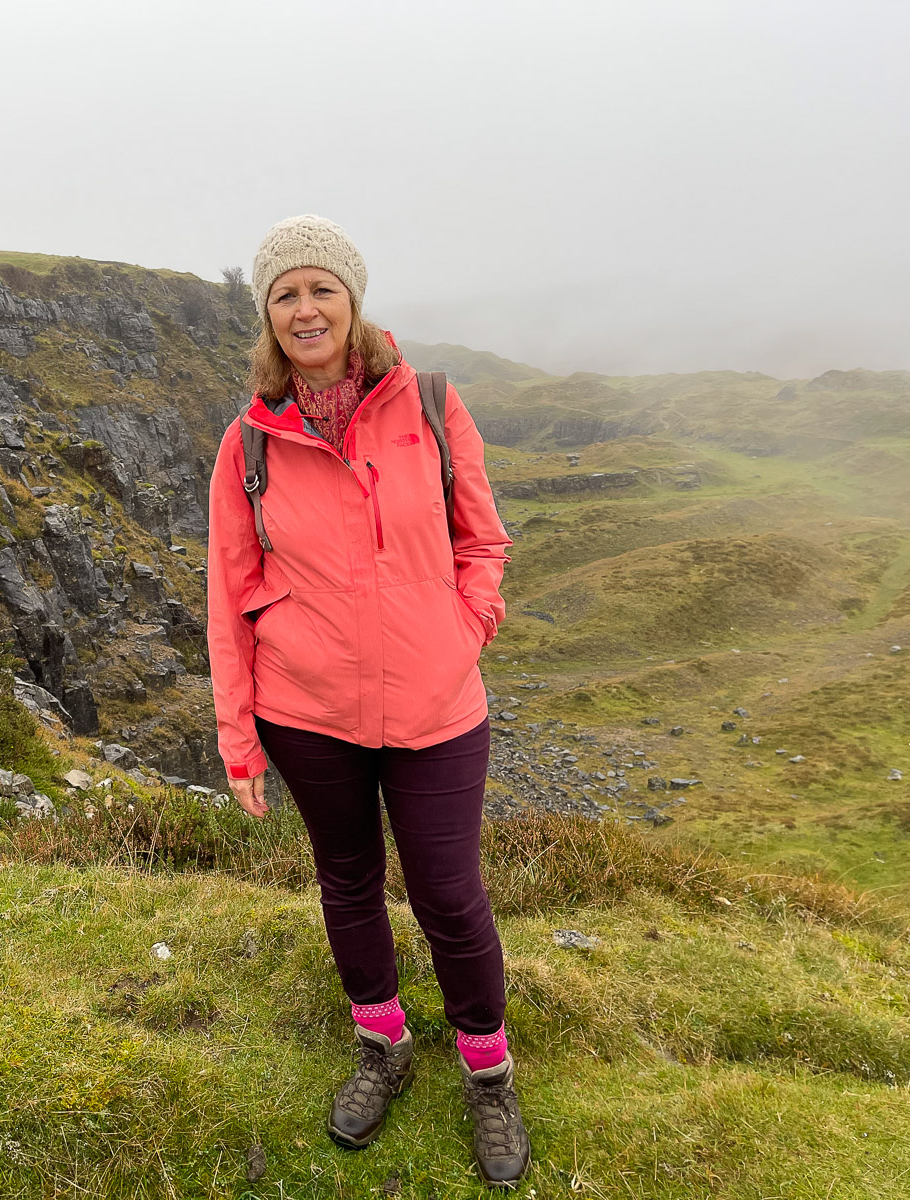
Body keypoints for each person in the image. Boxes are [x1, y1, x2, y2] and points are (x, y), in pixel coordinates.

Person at [206, 215, 530, 1187]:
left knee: (448, 894)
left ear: (352, 302)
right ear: (268, 316)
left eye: (321, 290)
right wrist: (238, 738)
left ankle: (488, 1073)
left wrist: (463, 630)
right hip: (306, 712)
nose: (305, 309)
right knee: (347, 882)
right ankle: (381, 1048)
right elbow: (226, 591)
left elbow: (483, 539)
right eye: (285, 295)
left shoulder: (429, 404)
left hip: (436, 707)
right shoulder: (249, 442)